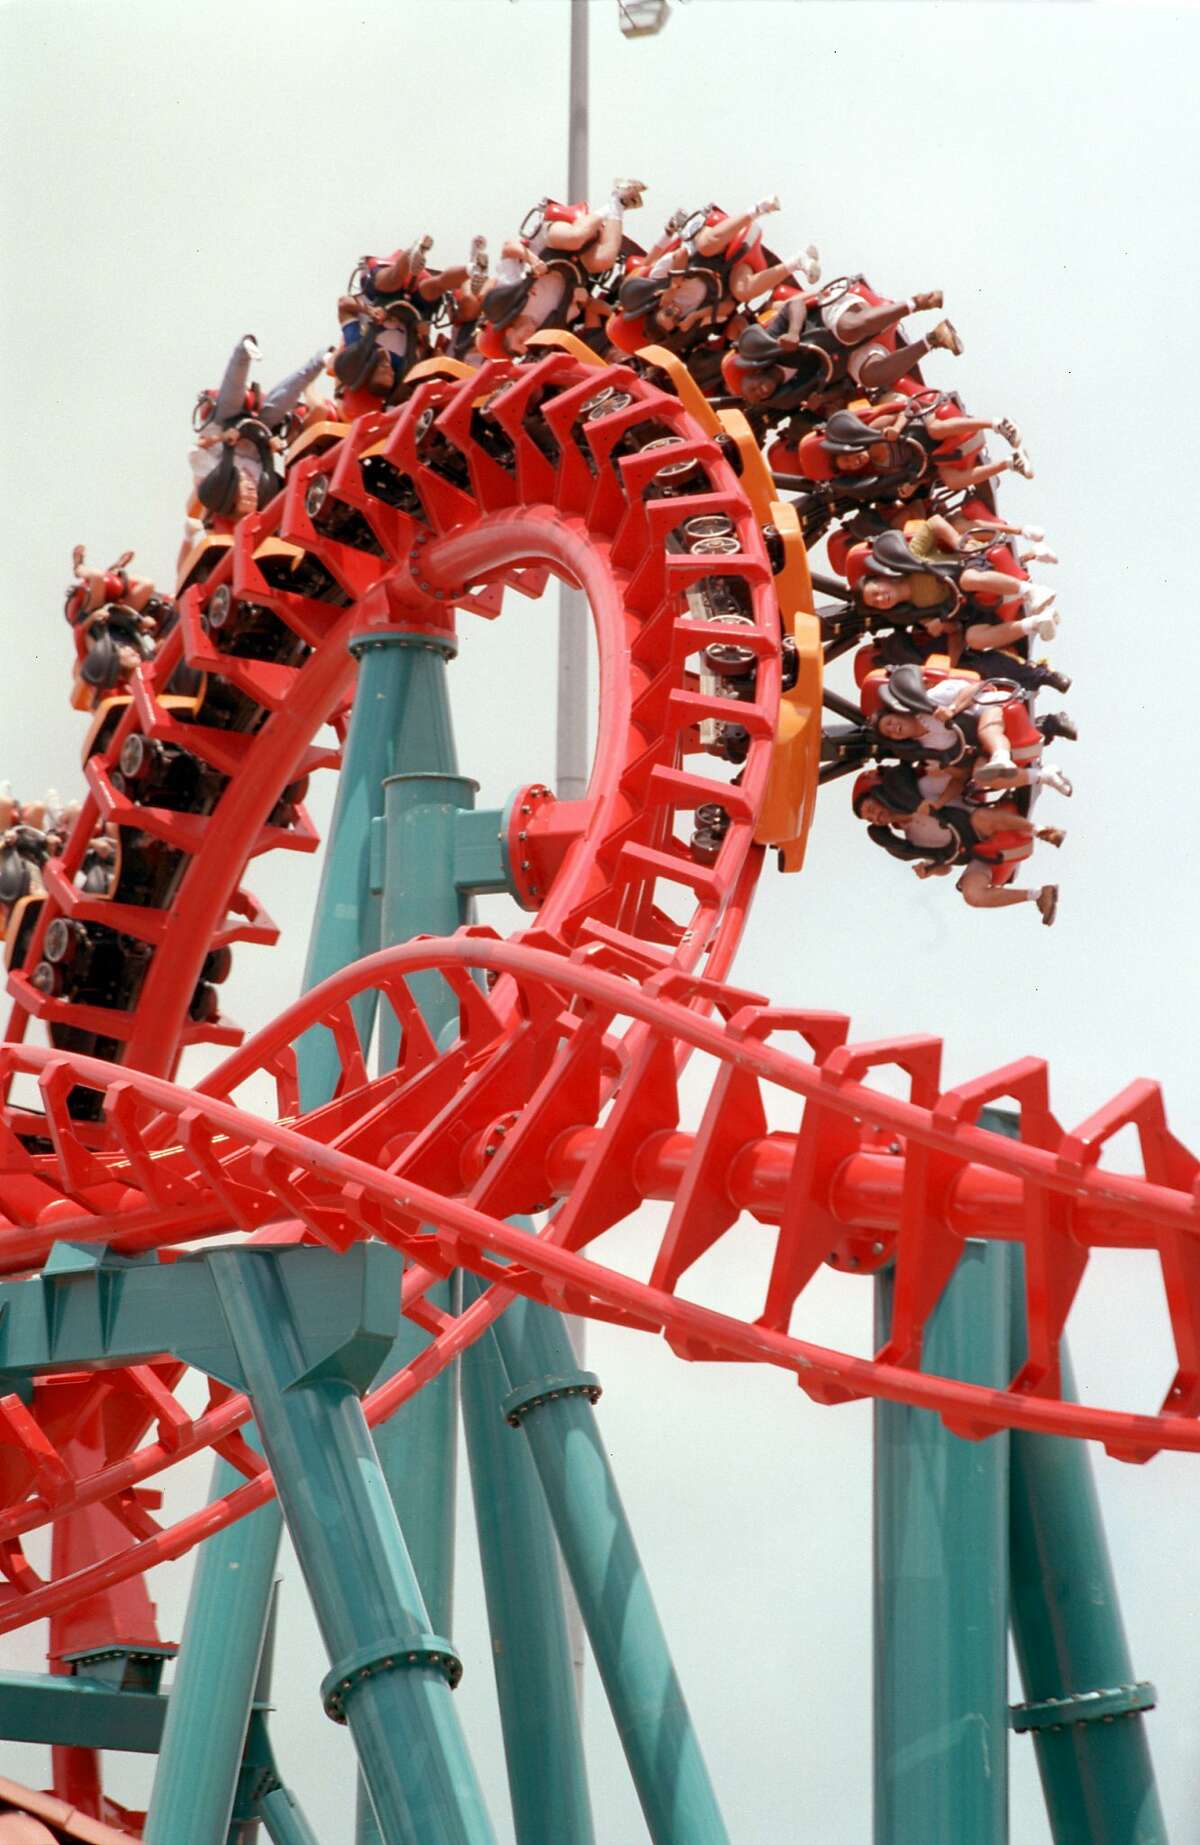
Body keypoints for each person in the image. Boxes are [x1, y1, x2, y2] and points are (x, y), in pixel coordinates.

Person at [852, 767, 1061, 923]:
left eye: (870, 808)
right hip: (980, 853)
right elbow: (946, 867)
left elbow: (959, 779)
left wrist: (938, 802)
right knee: (972, 895)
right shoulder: (913, 838)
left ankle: (1042, 831)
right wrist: (930, 870)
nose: (875, 817)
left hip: (987, 821)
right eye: (870, 819)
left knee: (979, 819)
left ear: (880, 795)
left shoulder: (922, 789)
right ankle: (1039, 894)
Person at [721, 280, 962, 413]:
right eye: (758, 397)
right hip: (848, 354)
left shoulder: (771, 347)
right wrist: (823, 398)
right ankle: (934, 339)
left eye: (752, 388)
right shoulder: (793, 392)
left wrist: (793, 332)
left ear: (754, 373)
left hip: (832, 317)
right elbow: (845, 386)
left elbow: (795, 305)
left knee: (848, 331)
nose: (760, 392)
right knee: (869, 377)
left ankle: (918, 303)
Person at [477, 182, 646, 357]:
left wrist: (533, 261)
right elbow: (585, 303)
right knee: (604, 260)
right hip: (574, 263)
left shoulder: (509, 298)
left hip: (547, 243)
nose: (528, 337)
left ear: (509, 332)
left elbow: (508, 247)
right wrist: (584, 299)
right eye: (528, 343)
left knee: (575, 238)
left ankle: (613, 200)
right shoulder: (553, 322)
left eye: (520, 340)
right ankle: (618, 204)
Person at [190, 334, 328, 520]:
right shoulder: (260, 480)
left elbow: (197, 447)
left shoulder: (212, 475)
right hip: (258, 433)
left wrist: (224, 438)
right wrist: (273, 445)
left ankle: (243, 350)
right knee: (282, 401)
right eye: (253, 500)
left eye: (245, 499)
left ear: (233, 498)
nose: (251, 493)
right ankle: (320, 360)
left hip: (224, 425)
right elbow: (269, 451)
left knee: (234, 393)